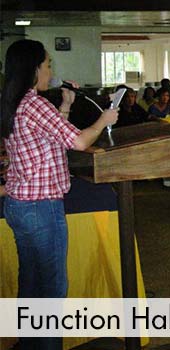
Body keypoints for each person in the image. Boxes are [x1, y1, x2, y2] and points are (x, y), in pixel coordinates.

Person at [0, 40, 118, 350]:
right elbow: (79, 142)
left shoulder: (15, 102)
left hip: (19, 204)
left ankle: (29, 344)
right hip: (41, 208)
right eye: (48, 64)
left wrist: (65, 105)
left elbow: (54, 138)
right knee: (52, 290)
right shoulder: (35, 104)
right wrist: (103, 120)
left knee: (31, 282)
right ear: (34, 68)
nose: (51, 70)